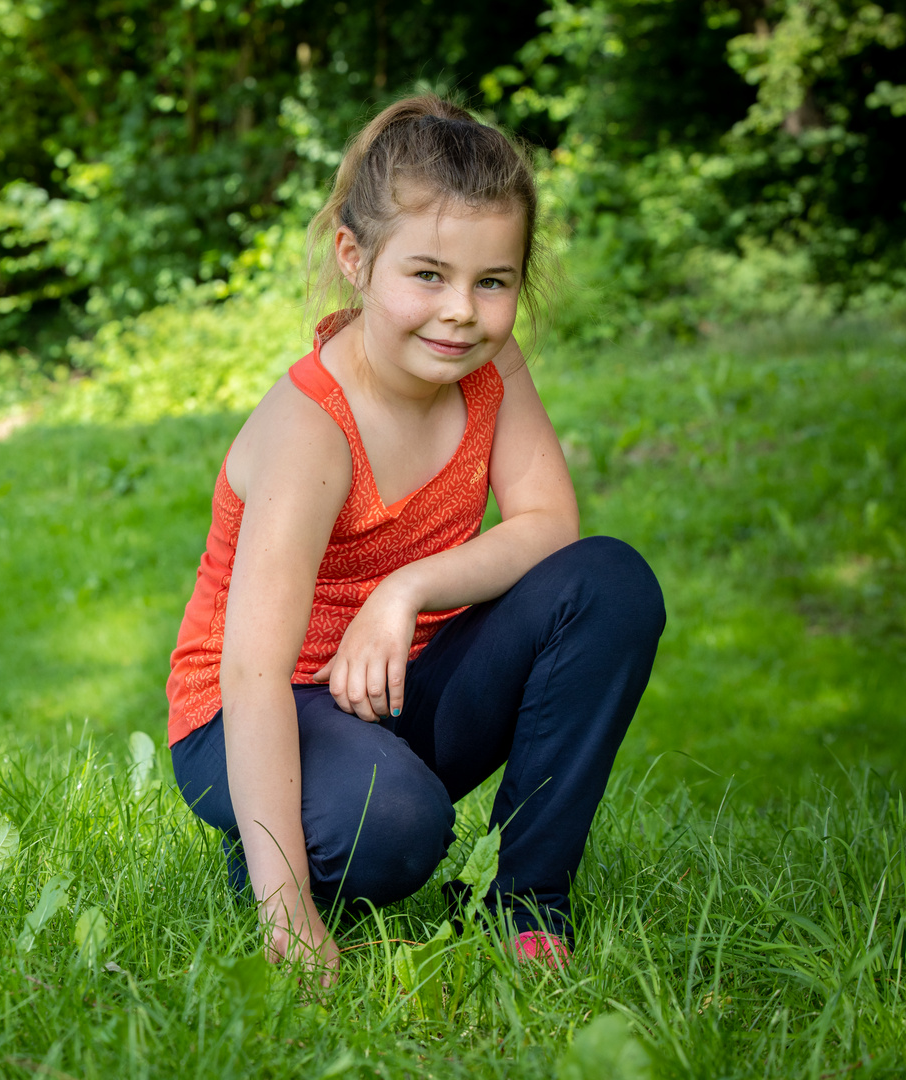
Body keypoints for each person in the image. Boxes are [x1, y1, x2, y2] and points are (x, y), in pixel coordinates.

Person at [166, 94, 665, 984]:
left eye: (492, 282)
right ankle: (274, 860)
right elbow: (248, 676)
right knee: (394, 831)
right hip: (251, 711)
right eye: (427, 275)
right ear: (355, 261)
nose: (461, 313)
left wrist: (405, 591)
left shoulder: (487, 369)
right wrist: (289, 924)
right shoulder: (310, 429)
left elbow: (550, 524)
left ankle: (523, 902)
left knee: (608, 583)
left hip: (399, 681)